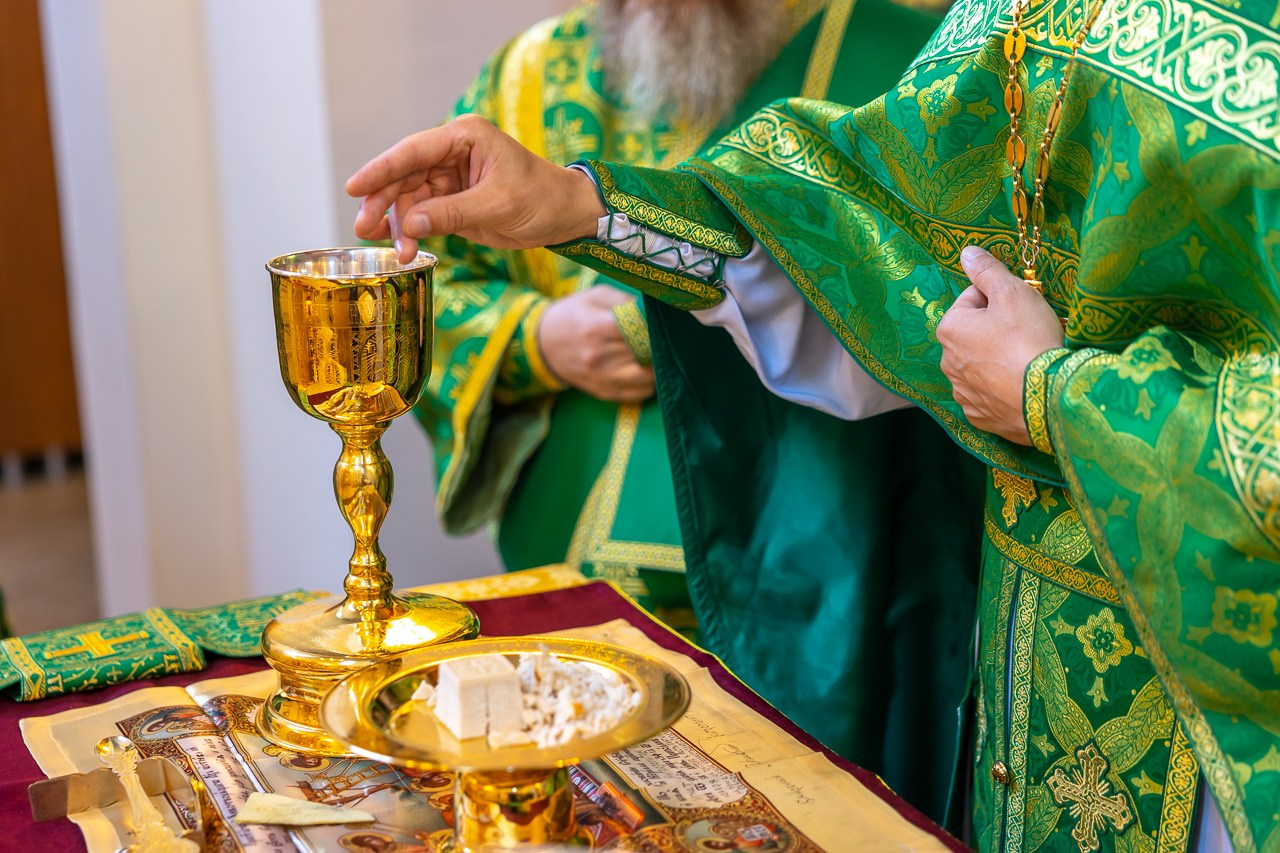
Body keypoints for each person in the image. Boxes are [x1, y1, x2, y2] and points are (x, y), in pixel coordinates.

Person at [346, 0, 1280, 847]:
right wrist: (582, 208)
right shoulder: (1022, 14)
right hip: (1027, 664)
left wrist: (1052, 394)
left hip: (1223, 703)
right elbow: (869, 255)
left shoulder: (889, 35)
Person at [408, 0, 984, 826]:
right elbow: (429, 277)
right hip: (566, 597)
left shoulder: (902, 54)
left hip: (816, 599)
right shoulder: (530, 73)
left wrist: (689, 313)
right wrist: (533, 338)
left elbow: (934, 303)